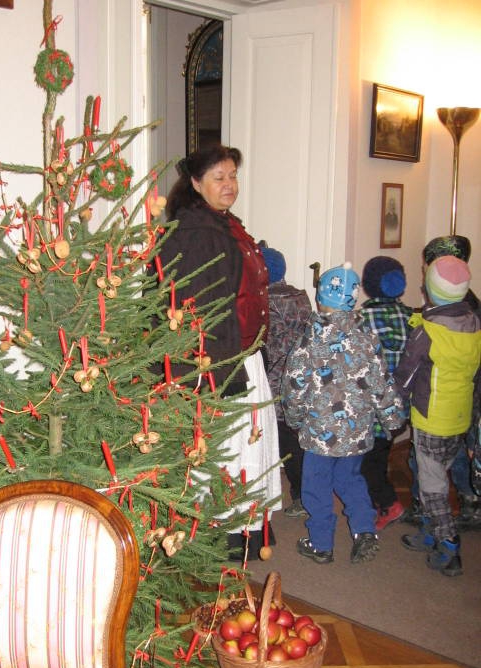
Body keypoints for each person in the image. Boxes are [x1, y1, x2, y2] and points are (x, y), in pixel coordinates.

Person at [158, 144, 282, 561]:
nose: (229, 185)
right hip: (219, 362)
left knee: (247, 445)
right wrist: (218, 377)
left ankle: (245, 529)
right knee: (226, 449)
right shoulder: (197, 233)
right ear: (196, 183)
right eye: (219, 177)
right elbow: (197, 311)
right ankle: (221, 537)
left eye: (233, 176)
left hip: (242, 354)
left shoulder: (224, 224)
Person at [282, 264, 405, 564]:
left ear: (321, 300)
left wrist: (293, 419)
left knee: (316, 487)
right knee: (351, 480)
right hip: (356, 432)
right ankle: (364, 530)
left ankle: (321, 544)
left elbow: (294, 386)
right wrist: (392, 418)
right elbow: (381, 382)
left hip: (319, 437)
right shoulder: (367, 338)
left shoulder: (309, 340)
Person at [395, 256, 481, 577]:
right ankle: (430, 531)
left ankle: (448, 543)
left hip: (431, 418)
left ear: (430, 289)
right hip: (460, 416)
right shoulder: (474, 324)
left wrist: (392, 406)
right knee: (436, 472)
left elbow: (405, 376)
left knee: (432, 486)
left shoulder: (427, 331)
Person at [359, 256, 413, 530]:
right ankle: (375, 502)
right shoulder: (411, 317)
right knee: (380, 455)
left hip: (371, 409)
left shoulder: (363, 319)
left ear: (368, 285)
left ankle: (389, 504)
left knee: (368, 464)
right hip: (399, 407)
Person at [262, 245, 312, 517]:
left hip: (277, 381)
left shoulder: (265, 303)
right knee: (300, 438)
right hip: (303, 379)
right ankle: (306, 492)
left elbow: (267, 345)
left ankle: (302, 495)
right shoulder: (302, 297)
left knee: (285, 441)